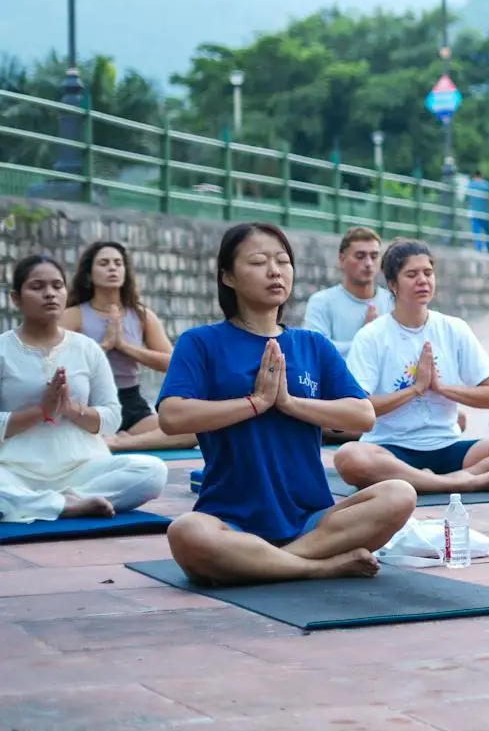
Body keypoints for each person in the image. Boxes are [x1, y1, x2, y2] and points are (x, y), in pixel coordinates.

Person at [158, 223, 414, 584]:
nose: (275, 271)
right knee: (186, 533)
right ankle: (319, 566)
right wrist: (255, 403)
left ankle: (266, 563)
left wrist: (289, 403)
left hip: (311, 520)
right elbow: (171, 416)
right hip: (229, 519)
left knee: (399, 494)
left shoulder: (312, 345)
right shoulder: (201, 342)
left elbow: (362, 415)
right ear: (228, 277)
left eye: (282, 261)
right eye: (258, 262)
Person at [334, 241, 489, 494]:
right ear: (393, 284)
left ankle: (443, 480)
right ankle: (458, 483)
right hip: (390, 449)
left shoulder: (454, 329)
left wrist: (442, 388)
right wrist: (415, 390)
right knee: (350, 457)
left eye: (428, 273)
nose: (422, 281)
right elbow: (359, 409)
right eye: (412, 274)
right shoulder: (371, 336)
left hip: (447, 445)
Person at [1, 256, 168, 523]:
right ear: (16, 299)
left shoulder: (86, 348)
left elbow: (112, 418)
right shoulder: (3, 350)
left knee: (153, 471)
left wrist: (71, 409)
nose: (50, 293)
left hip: (82, 468)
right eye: (37, 287)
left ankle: (46, 503)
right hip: (14, 470)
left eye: (57, 286)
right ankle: (64, 504)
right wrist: (41, 411)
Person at [61, 240, 185, 453]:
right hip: (90, 403)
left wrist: (125, 347)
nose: (112, 268)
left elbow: (173, 363)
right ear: (89, 274)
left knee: (191, 430)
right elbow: (55, 365)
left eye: (118, 263)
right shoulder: (72, 315)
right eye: (104, 263)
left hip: (131, 404)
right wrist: (105, 346)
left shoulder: (141, 315)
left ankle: (118, 443)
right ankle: (108, 438)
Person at [298, 228, 394, 352]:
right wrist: (365, 340)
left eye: (374, 256)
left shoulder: (392, 302)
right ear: (342, 260)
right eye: (360, 256)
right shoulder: (321, 302)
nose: (369, 263)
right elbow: (314, 350)